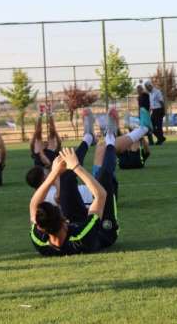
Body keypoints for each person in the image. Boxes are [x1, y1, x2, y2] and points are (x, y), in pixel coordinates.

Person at [29, 108, 119, 256]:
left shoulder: (40, 240)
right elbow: (100, 195)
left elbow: (33, 204)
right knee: (104, 179)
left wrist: (55, 173)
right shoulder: (82, 237)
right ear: (64, 221)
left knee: (65, 176)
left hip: (75, 222)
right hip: (102, 231)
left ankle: (88, 137)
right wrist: (76, 166)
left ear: (40, 228)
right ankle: (110, 138)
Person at [30, 104, 61, 168]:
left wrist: (35, 133)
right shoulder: (52, 151)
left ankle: (42, 114)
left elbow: (31, 144)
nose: (45, 142)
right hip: (48, 157)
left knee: (38, 133)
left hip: (40, 157)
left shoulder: (37, 153)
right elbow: (59, 143)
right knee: (52, 132)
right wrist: (55, 131)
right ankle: (49, 113)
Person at [145, 80, 166, 145]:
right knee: (151, 127)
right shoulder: (150, 94)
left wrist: (163, 110)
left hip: (159, 110)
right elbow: (151, 104)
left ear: (150, 86)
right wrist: (149, 112)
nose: (146, 89)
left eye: (147, 87)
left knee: (159, 126)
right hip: (154, 111)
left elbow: (161, 102)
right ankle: (161, 138)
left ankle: (160, 141)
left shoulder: (157, 92)